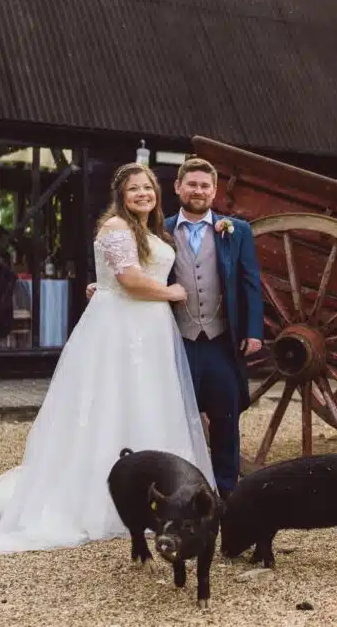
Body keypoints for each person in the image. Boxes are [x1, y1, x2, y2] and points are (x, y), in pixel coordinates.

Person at [0, 163, 215, 554]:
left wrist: (105, 286)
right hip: (122, 327)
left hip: (150, 329)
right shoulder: (116, 228)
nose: (142, 194)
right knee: (109, 403)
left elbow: (116, 277)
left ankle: (156, 492)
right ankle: (101, 497)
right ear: (120, 196)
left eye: (147, 187)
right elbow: (127, 279)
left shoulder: (149, 231)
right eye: (133, 190)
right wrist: (173, 293)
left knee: (148, 401)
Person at [87, 157, 263, 496]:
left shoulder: (236, 231)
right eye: (192, 184)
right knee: (173, 418)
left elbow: (250, 281)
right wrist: (103, 286)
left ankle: (226, 492)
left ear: (214, 191)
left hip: (220, 339)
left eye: (205, 185)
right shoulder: (156, 228)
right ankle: (178, 491)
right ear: (178, 187)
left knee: (226, 417)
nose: (198, 191)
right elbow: (131, 267)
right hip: (173, 338)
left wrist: (254, 330)